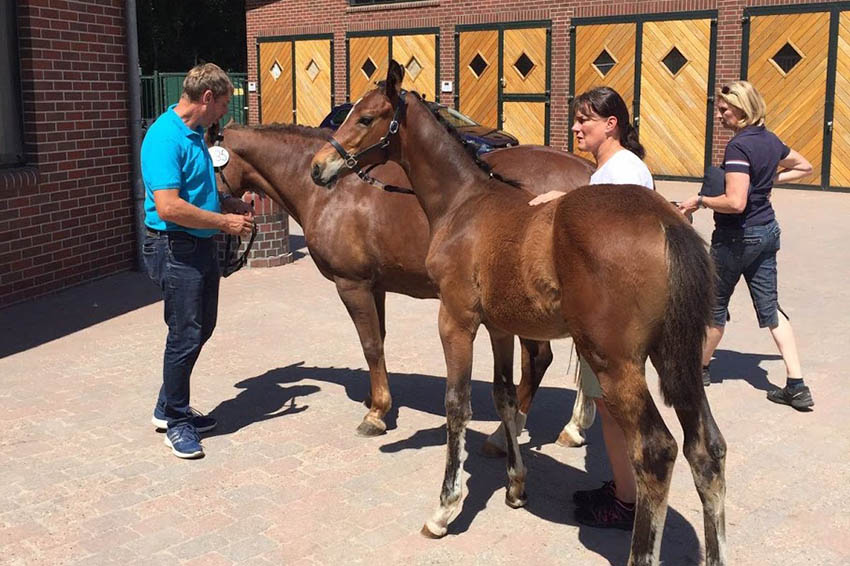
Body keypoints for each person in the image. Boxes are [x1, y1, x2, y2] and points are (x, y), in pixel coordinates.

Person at [530, 86, 653, 530]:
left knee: (613, 407)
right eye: (577, 118)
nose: (577, 127)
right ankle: (625, 488)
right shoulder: (617, 170)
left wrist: (563, 204)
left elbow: (609, 237)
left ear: (610, 124)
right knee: (610, 407)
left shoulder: (622, 171)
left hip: (610, 313)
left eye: (585, 119)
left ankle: (626, 502)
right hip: (611, 309)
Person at [141, 63, 255, 459]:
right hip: (175, 248)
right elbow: (169, 207)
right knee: (185, 334)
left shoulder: (195, 135)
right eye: (223, 104)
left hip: (199, 246)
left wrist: (227, 202)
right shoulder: (163, 138)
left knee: (201, 328)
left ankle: (166, 406)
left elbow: (194, 194)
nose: (224, 112)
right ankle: (176, 420)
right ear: (207, 98)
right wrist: (224, 222)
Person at [678, 80, 814, 410]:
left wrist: (701, 201)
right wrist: (766, 182)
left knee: (713, 307)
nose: (721, 115)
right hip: (767, 231)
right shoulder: (770, 140)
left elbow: (736, 202)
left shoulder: (739, 147)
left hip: (735, 238)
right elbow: (805, 166)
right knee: (771, 309)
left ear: (741, 110)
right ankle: (796, 384)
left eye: (725, 109)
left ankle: (700, 371)